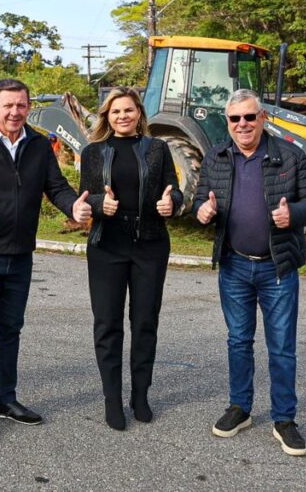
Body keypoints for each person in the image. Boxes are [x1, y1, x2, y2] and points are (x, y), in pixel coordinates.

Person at [0, 78, 93, 444]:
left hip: (20, 255)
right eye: (8, 105)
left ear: (29, 108)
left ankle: (4, 400)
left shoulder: (40, 144)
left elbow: (55, 186)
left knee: (11, 331)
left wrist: (73, 205)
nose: (15, 112)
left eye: (21, 106)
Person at [193, 89, 306, 457]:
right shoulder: (216, 157)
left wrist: (292, 216)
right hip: (234, 265)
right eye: (235, 119)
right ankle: (240, 408)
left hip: (276, 267)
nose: (243, 125)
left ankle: (285, 419)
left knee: (281, 348)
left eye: (249, 117)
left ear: (262, 117)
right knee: (238, 341)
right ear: (228, 122)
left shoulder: (289, 155)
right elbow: (202, 198)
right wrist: (202, 211)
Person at [78, 87, 182, 431]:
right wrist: (98, 204)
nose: (122, 116)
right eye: (115, 111)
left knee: (145, 322)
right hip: (107, 245)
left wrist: (173, 204)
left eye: (128, 110)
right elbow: (86, 195)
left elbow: (174, 189)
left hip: (150, 244)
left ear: (139, 113)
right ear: (107, 117)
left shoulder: (158, 149)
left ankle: (140, 395)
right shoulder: (93, 152)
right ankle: (112, 399)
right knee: (107, 324)